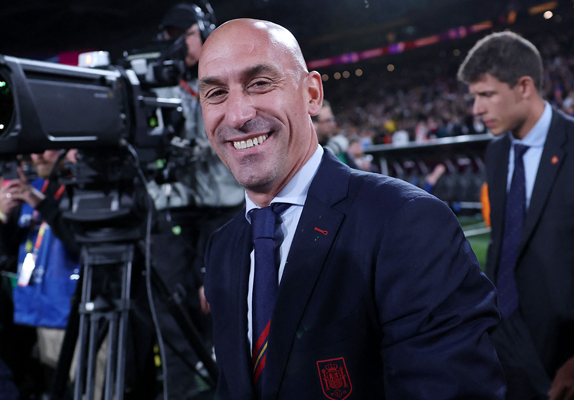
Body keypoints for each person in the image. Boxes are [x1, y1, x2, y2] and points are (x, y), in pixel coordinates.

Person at [198, 19, 505, 399]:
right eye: (215, 93)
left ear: (312, 94)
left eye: (260, 83)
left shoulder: (407, 222)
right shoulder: (223, 247)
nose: (238, 114)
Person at [458, 31, 574, 400]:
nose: (476, 109)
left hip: (571, 353)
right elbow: (504, 245)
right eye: (474, 96)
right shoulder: (496, 152)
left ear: (524, 87)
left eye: (486, 95)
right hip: (504, 336)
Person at [148, 4, 245, 399]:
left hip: (222, 203)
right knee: (173, 301)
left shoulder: (226, 68)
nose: (175, 44)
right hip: (175, 204)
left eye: (182, 34)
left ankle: (241, 379)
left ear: (203, 30)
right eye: (168, 36)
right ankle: (181, 390)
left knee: (229, 296)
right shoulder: (159, 80)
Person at [0, 150, 80, 394]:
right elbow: (8, 251)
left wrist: (41, 203)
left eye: (46, 149)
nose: (38, 157)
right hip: (41, 313)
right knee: (58, 389)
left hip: (76, 312)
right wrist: (2, 215)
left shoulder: (78, 185)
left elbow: (79, 242)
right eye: (33, 150)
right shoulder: (33, 188)